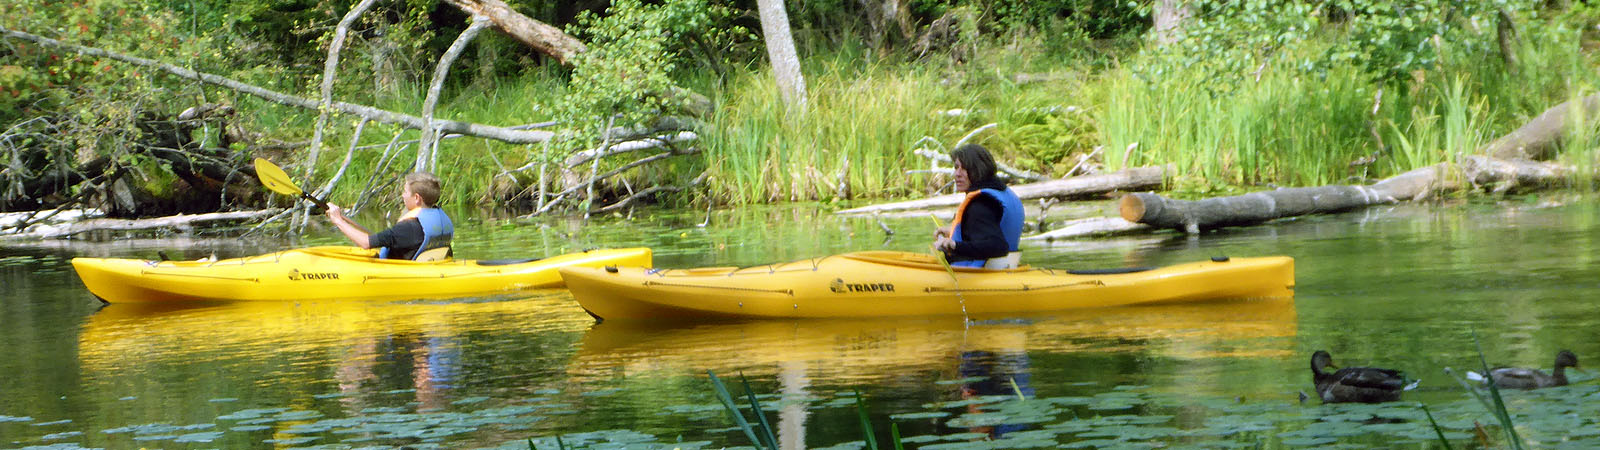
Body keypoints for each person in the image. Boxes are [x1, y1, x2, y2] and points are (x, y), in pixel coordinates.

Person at [933, 144, 1024, 269]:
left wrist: (954, 245)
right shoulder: (999, 192)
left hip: (977, 275)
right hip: (1006, 268)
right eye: (956, 167)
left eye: (964, 168)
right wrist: (955, 231)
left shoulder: (979, 205)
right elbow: (987, 229)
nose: (957, 174)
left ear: (979, 170)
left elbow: (998, 247)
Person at [326, 172, 455, 261]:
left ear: (417, 198)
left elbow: (365, 243)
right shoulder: (441, 218)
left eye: (405, 192)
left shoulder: (408, 228)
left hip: (403, 276)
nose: (403, 196)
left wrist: (338, 221)